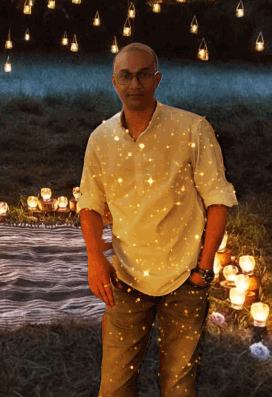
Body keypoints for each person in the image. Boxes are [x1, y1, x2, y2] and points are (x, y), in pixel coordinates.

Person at [77, 43, 238, 397]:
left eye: (143, 75)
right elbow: (89, 203)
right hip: (126, 277)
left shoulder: (192, 129)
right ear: (114, 82)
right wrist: (95, 257)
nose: (134, 84)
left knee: (178, 384)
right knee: (114, 385)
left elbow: (218, 199)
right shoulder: (101, 139)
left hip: (184, 277)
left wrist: (203, 269)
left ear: (157, 79)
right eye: (126, 76)